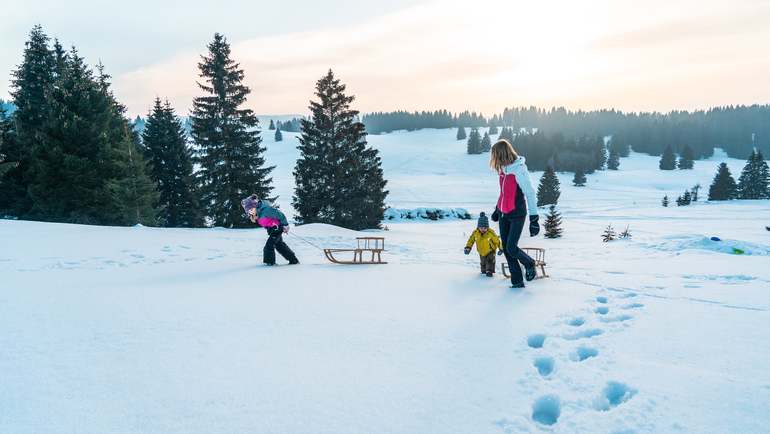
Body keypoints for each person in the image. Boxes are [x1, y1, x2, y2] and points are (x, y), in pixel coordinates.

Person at [489, 139, 540, 288]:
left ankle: (530, 263)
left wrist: (534, 219)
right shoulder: (503, 170)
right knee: (506, 249)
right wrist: (497, 210)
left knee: (511, 247)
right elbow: (503, 193)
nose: (494, 159)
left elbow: (530, 193)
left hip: (517, 213)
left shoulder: (519, 170)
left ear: (501, 154)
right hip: (504, 214)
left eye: (495, 156)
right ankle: (517, 281)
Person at [241, 194, 299, 266]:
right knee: (279, 245)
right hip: (272, 229)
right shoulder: (258, 213)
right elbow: (266, 222)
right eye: (248, 210)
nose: (249, 212)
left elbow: (280, 215)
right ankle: (293, 260)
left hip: (277, 228)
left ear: (255, 206)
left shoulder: (266, 210)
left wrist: (285, 225)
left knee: (269, 246)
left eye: (250, 209)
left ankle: (270, 263)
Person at [464, 212, 504, 277]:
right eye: (481, 228)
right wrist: (468, 247)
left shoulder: (490, 233)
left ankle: (489, 271)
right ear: (478, 227)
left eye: (485, 228)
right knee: (483, 264)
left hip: (490, 250)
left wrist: (501, 249)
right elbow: (471, 240)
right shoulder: (475, 233)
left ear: (487, 227)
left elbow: (497, 241)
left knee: (490, 261)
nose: (483, 229)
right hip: (481, 251)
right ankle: (484, 270)